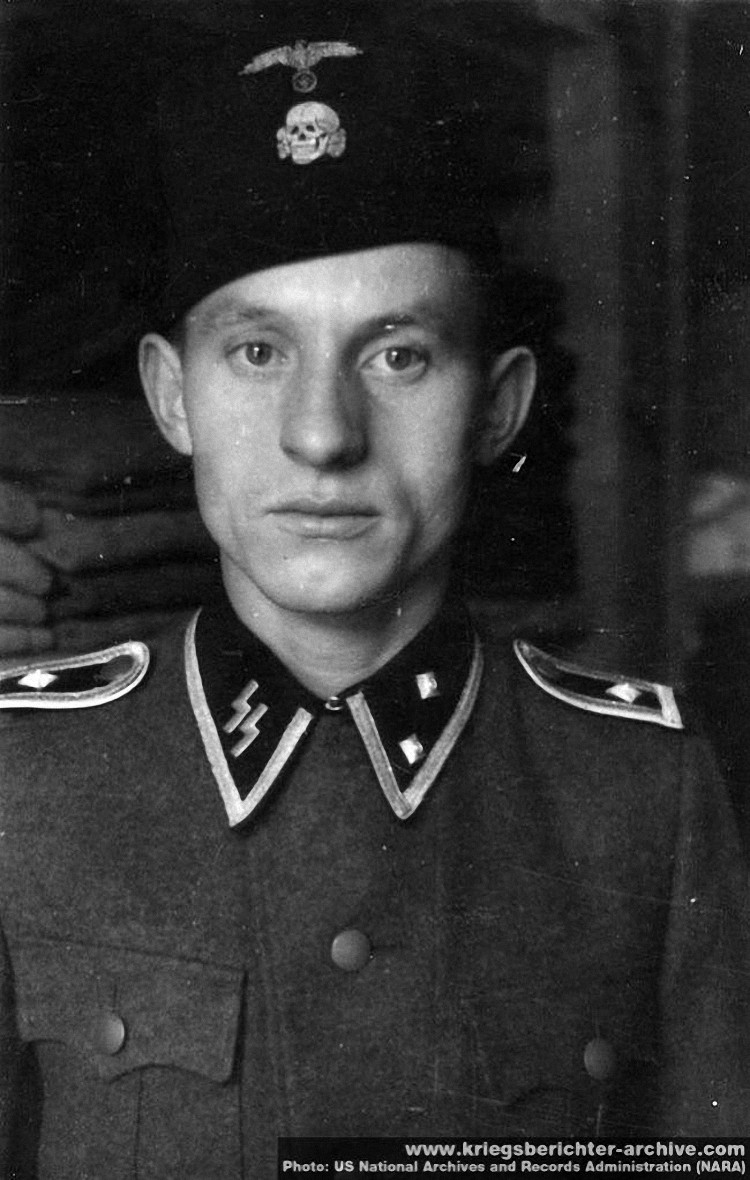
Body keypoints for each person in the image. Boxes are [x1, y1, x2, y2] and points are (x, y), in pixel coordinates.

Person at [1, 7, 748, 1177]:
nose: (323, 434)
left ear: (497, 406)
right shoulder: (26, 782)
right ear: (173, 396)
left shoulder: (641, 798)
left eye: (398, 354)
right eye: (259, 352)